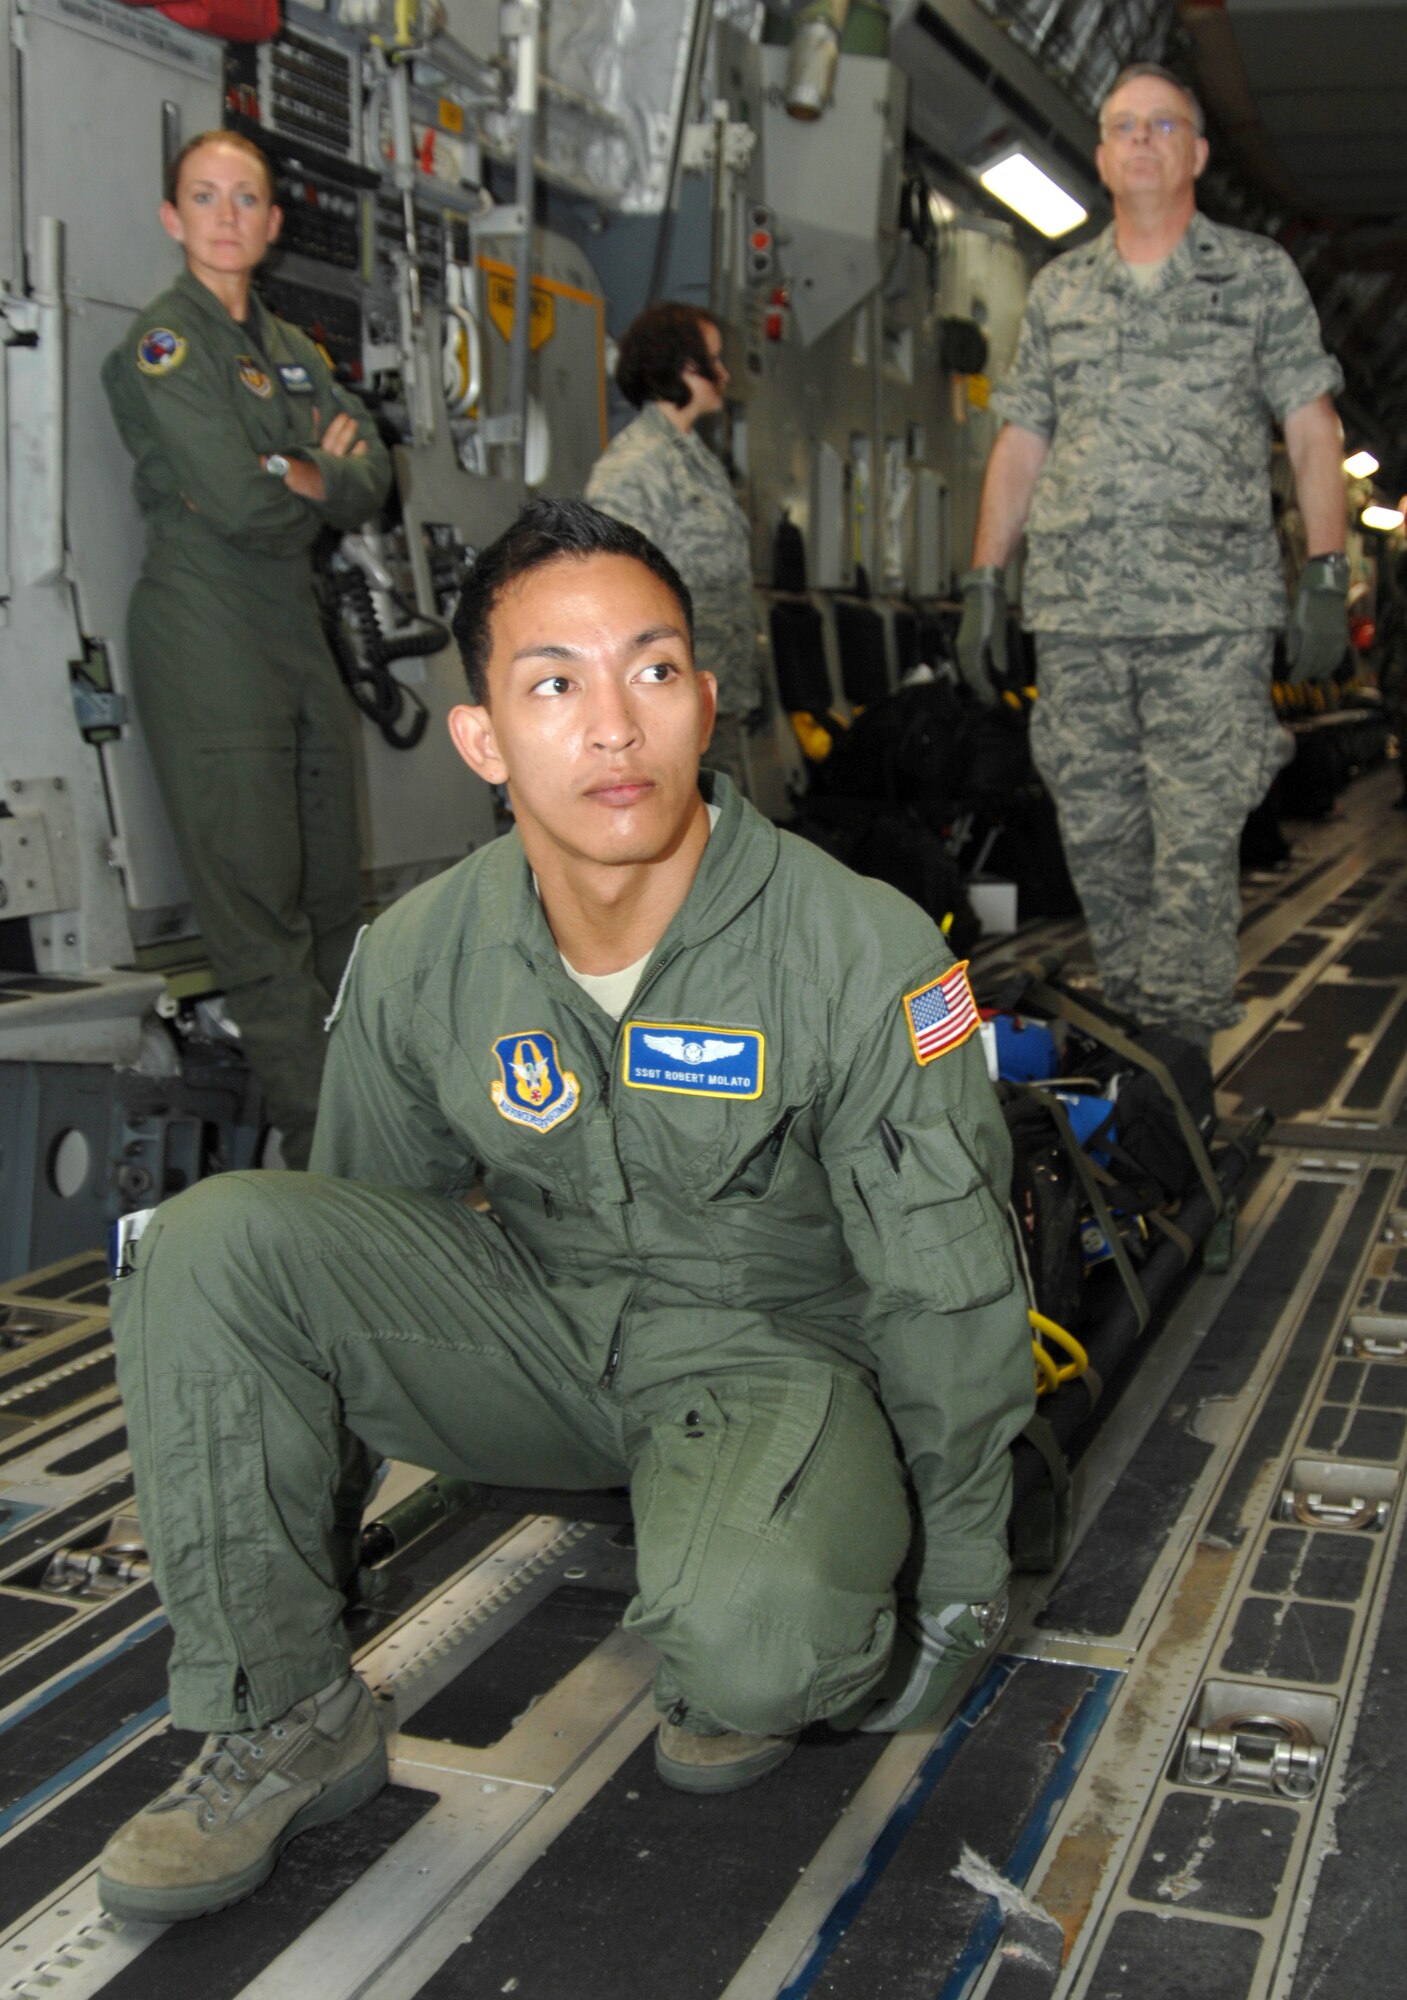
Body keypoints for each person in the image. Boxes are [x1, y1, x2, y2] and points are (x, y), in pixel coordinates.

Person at [95, 498, 1034, 1924]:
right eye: (554, 685)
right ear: (482, 739)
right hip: (531, 1330)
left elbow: (944, 1292)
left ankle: (742, 1577)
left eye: (652, 672)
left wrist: (958, 1578)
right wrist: (306, 1544)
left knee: (756, 1658)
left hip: (767, 1357)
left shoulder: (858, 951)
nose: (613, 727)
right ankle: (283, 1715)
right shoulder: (421, 956)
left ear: (705, 703)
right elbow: (348, 1241)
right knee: (217, 1243)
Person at [956, 64, 1346, 1048]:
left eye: (1161, 125)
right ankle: (1141, 1047)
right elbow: (1022, 442)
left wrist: (1329, 572)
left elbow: (1311, 429)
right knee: (1097, 832)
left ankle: (1176, 1067)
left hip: (1210, 619)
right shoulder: (1060, 290)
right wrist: (985, 579)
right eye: (1121, 126)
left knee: (1195, 839)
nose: (1139, 140)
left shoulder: (1255, 277)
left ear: (1197, 153)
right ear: (1099, 155)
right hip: (1080, 616)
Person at [102, 131, 392, 1166]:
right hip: (207, 633)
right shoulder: (162, 346)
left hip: (291, 631)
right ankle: (342, 1164)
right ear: (174, 218)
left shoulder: (293, 348)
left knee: (332, 913)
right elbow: (234, 498)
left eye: (248, 198)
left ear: (272, 224)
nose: (228, 215)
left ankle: (375, 1138)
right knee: (263, 924)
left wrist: (291, 469)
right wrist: (308, 477)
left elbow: (370, 479)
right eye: (205, 196)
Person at [585, 302, 763, 794]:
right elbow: (611, 592)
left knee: (724, 837)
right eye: (714, 359)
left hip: (714, 687)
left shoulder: (694, 458)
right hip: (667, 701)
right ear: (685, 368)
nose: (724, 373)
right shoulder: (636, 467)